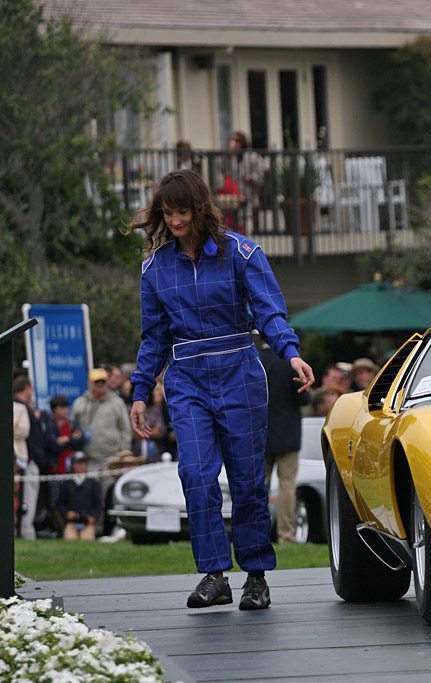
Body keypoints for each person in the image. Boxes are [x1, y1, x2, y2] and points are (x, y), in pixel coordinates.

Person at [127, 168, 314, 611]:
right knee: (194, 474)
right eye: (168, 213)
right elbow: (154, 336)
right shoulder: (155, 267)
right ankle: (214, 575)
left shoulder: (242, 253)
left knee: (249, 481)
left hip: (240, 373)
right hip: (186, 377)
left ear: (200, 208)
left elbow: (269, 313)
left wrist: (291, 353)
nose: (175, 221)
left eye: (183, 211)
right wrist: (139, 391)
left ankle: (255, 576)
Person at [259, 340, 310, 544]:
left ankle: (259, 536)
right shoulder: (290, 362)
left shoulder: (255, 360)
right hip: (287, 433)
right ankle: (286, 536)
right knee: (287, 486)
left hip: (259, 434)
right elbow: (304, 399)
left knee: (260, 487)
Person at [71, 367, 132, 534]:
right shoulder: (80, 403)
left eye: (103, 381)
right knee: (89, 496)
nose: (100, 385)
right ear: (90, 383)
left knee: (109, 496)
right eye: (97, 382)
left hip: (110, 458)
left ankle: (109, 529)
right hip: (88, 459)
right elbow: (72, 426)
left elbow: (126, 429)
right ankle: (92, 530)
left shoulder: (116, 402)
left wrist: (124, 455)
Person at [13, 375, 47, 540]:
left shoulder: (26, 407)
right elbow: (22, 432)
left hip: (28, 459)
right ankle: (26, 532)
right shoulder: (19, 407)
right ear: (26, 388)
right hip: (24, 460)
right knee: (26, 498)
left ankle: (25, 530)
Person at [217, 131, 263, 234]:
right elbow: (221, 169)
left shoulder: (252, 156)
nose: (234, 143)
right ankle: (235, 231)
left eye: (237, 141)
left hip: (248, 190)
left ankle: (250, 231)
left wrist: (250, 178)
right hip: (234, 190)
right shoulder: (230, 157)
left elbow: (260, 175)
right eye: (232, 140)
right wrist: (228, 155)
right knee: (231, 210)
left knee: (247, 213)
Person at [55, 451, 103, 541]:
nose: (81, 466)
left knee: (87, 539)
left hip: (87, 522)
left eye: (83, 463)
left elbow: (98, 504)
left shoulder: (93, 483)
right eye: (78, 463)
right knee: (70, 538)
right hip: (72, 522)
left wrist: (93, 517)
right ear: (72, 465)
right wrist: (67, 513)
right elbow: (59, 504)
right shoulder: (66, 483)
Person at [44, 395, 87, 476]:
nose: (65, 410)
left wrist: (66, 439)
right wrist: (71, 438)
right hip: (56, 468)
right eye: (61, 408)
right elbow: (54, 446)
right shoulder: (50, 426)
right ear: (54, 409)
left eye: (66, 407)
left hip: (73, 467)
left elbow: (81, 440)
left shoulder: (72, 424)